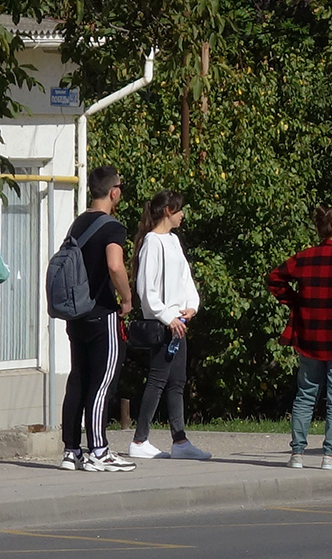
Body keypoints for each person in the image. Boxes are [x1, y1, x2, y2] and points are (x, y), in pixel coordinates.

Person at [266, 207, 332, 470]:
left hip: (309, 336)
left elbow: (274, 278)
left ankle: (297, 454)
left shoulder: (305, 258)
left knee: (305, 394)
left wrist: (296, 303)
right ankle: (330, 455)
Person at [59, 165, 136, 472]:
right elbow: (115, 265)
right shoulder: (112, 226)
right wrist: (127, 298)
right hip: (101, 312)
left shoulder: (77, 224)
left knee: (78, 378)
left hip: (75, 313)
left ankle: (71, 451)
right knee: (102, 382)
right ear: (113, 192)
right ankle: (99, 451)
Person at [128, 189, 210, 461]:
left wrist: (191, 305)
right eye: (179, 210)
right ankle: (140, 439)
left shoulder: (174, 241)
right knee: (157, 380)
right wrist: (167, 317)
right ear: (167, 212)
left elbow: (185, 278)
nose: (182, 215)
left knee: (177, 382)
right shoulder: (152, 242)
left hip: (179, 323)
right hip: (164, 325)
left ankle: (180, 439)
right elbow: (146, 289)